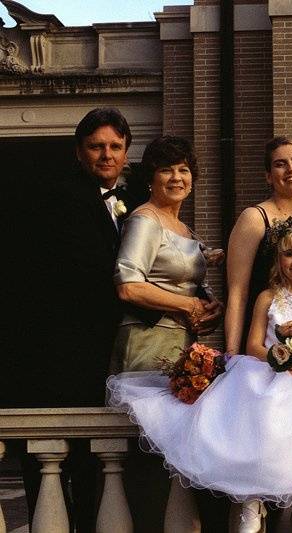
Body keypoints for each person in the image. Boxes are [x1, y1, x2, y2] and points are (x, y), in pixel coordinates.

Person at [108, 217, 292, 533]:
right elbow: (254, 344)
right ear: (279, 260)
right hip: (269, 369)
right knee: (258, 411)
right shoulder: (268, 297)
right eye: (290, 254)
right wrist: (277, 356)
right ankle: (251, 496)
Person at [5, 107, 143, 532]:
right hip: (60, 350)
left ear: (126, 153)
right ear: (78, 152)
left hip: (112, 347)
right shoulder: (56, 198)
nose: (106, 155)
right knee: (55, 461)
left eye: (115, 147)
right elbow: (84, 274)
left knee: (97, 466)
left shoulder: (134, 203)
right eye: (96, 146)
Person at [108, 135, 225, 532]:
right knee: (150, 454)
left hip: (180, 347)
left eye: (184, 169)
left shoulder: (181, 225)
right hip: (147, 345)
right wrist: (187, 306)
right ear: (150, 178)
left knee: (177, 456)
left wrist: (206, 306)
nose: (177, 177)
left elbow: (181, 284)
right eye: (167, 169)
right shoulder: (145, 219)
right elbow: (128, 284)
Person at [225, 137, 292, 353]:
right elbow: (237, 292)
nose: (291, 169)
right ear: (269, 176)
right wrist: (232, 354)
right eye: (280, 164)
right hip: (261, 340)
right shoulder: (254, 218)